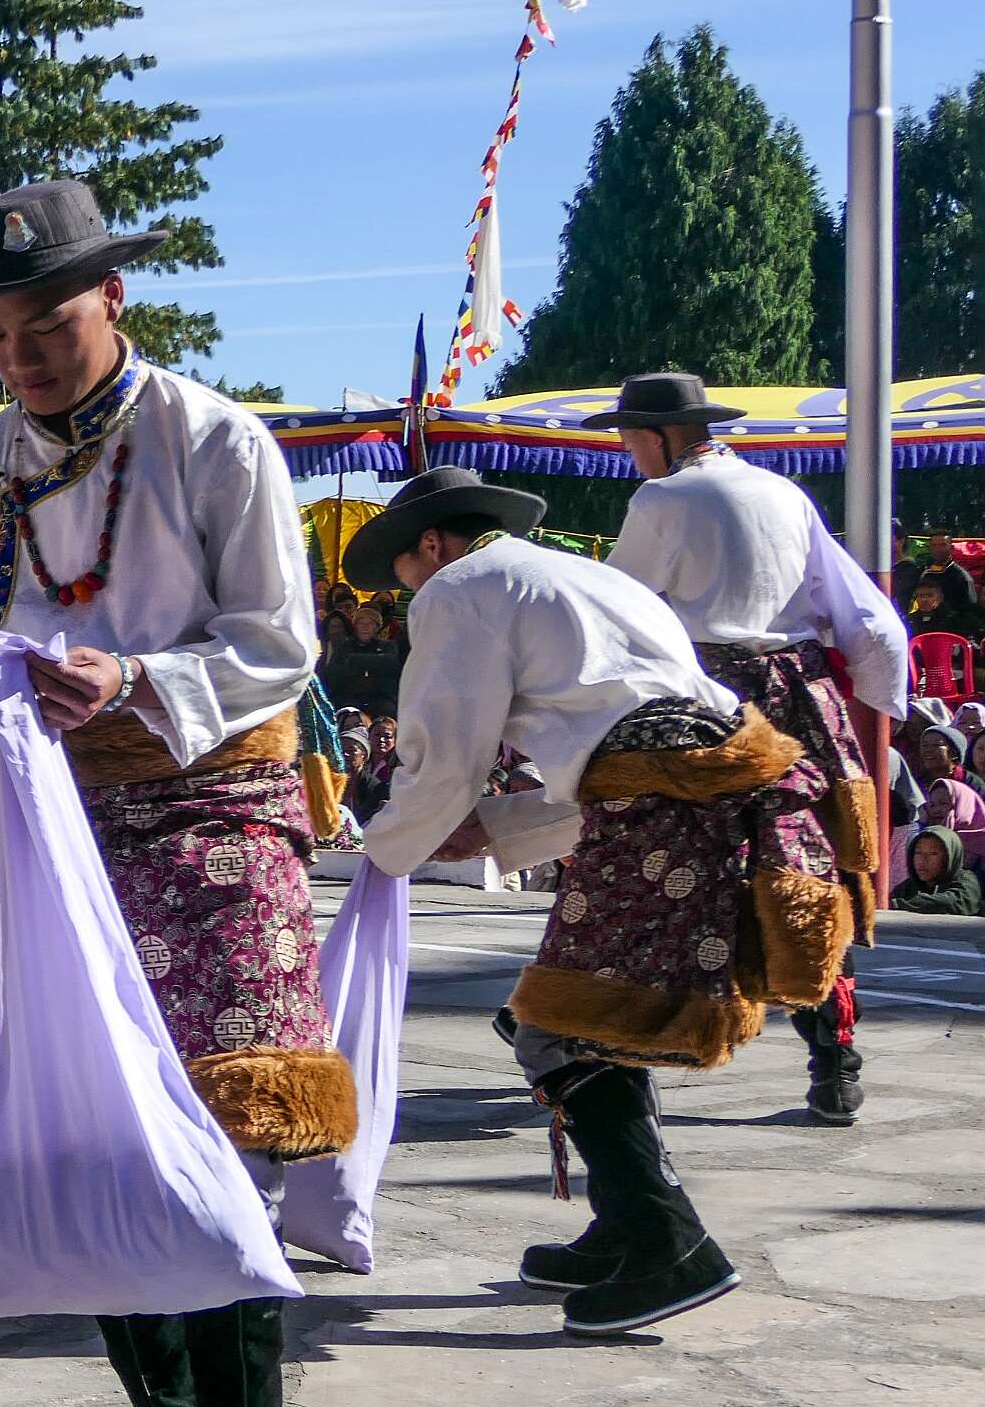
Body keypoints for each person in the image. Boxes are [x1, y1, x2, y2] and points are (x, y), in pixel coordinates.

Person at [0, 181, 351, 1407]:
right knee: (82, 1138)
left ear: (114, 298)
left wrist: (140, 676)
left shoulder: (215, 441)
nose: (24, 357)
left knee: (224, 1131)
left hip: (211, 810)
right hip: (51, 825)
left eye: (47, 324)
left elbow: (279, 642)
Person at [352, 466, 834, 1336]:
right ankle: (624, 1225)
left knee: (557, 1024)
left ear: (431, 543)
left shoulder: (462, 588)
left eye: (406, 571)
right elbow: (624, 749)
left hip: (661, 806)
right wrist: (491, 826)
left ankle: (668, 1241)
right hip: (704, 792)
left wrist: (387, 850)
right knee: (593, 1017)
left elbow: (444, 754)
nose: (408, 592)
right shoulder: (589, 579)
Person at [600, 370, 906, 1127]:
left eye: (631, 438)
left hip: (705, 703)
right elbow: (860, 613)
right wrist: (877, 701)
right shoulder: (783, 492)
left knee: (659, 860)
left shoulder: (661, 499)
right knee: (806, 872)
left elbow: (616, 611)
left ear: (660, 436)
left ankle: (604, 1030)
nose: (630, 453)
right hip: (801, 702)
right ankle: (835, 1057)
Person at [889, 825, 979, 914]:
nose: (922, 860)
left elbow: (952, 902)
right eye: (918, 852)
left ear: (949, 856)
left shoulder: (966, 880)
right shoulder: (908, 887)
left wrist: (900, 905)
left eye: (933, 853)